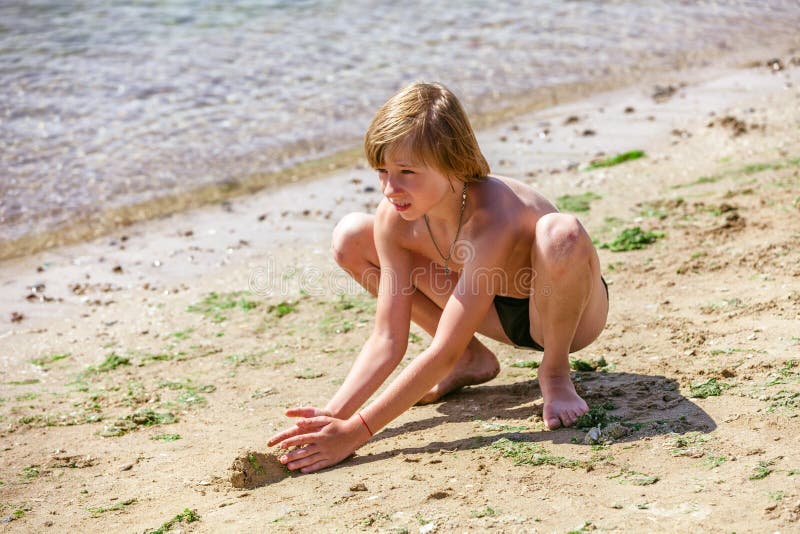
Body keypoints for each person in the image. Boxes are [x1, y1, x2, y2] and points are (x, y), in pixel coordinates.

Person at [267, 82, 609, 473]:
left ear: (453, 164)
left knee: (560, 234)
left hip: (563, 312)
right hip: (486, 307)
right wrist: (331, 417)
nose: (390, 188)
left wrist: (355, 433)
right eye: (382, 171)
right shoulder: (393, 218)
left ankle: (555, 372)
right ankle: (471, 359)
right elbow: (388, 338)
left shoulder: (492, 217)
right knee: (350, 237)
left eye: (407, 172)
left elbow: (440, 348)